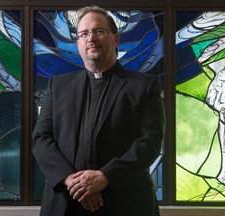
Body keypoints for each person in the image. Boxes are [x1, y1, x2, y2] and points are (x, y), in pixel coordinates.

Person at [32, 5, 165, 216]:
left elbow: (149, 142)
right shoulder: (57, 86)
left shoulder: (144, 86)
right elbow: (41, 139)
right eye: (84, 33)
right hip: (65, 202)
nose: (90, 38)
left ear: (116, 39)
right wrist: (71, 181)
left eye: (99, 31)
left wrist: (105, 176)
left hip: (125, 202)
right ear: (78, 44)